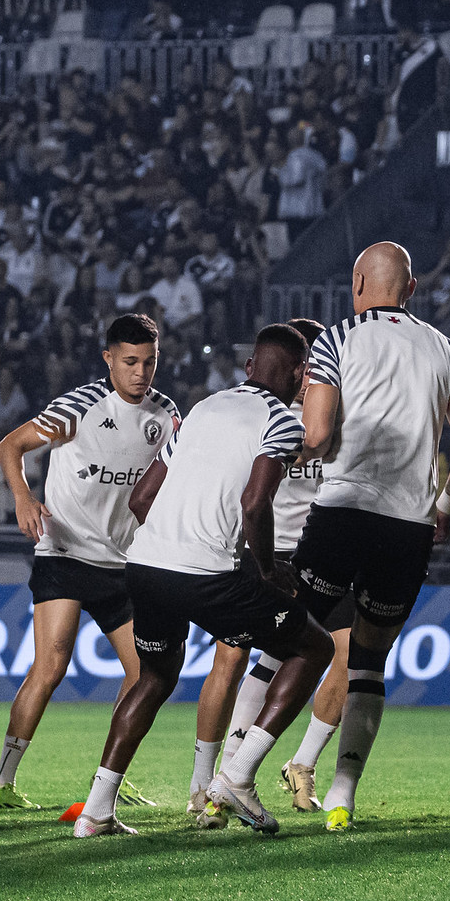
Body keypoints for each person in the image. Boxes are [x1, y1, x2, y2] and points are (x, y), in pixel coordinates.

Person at [74, 324, 337, 837]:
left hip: (145, 564)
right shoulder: (283, 420)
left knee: (153, 678)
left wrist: (173, 546)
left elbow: (141, 501)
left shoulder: (203, 407)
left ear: (248, 369)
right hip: (207, 572)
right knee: (314, 649)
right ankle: (236, 777)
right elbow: (255, 504)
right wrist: (267, 572)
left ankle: (95, 812)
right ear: (302, 377)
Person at [288, 241, 450, 831]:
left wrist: (278, 449)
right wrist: (445, 505)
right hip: (408, 523)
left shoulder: (336, 338)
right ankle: (340, 795)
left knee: (288, 636)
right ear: (413, 289)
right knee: (368, 661)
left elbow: (319, 433)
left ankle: (232, 778)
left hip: (344, 510)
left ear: (356, 285)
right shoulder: (448, 350)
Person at [0, 313, 179, 810]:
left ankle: (110, 779)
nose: (141, 372)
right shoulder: (81, 405)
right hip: (65, 555)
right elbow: (11, 446)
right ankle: (1, 783)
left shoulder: (166, 415)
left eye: (150, 362)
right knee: (49, 669)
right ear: (108, 358)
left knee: (145, 675)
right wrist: (24, 500)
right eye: (130, 361)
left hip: (125, 565)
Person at [190, 319, 347, 822]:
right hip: (259, 550)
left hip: (317, 555)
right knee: (231, 661)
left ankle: (295, 765)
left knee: (340, 656)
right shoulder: (258, 415)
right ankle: (205, 786)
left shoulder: (333, 416)